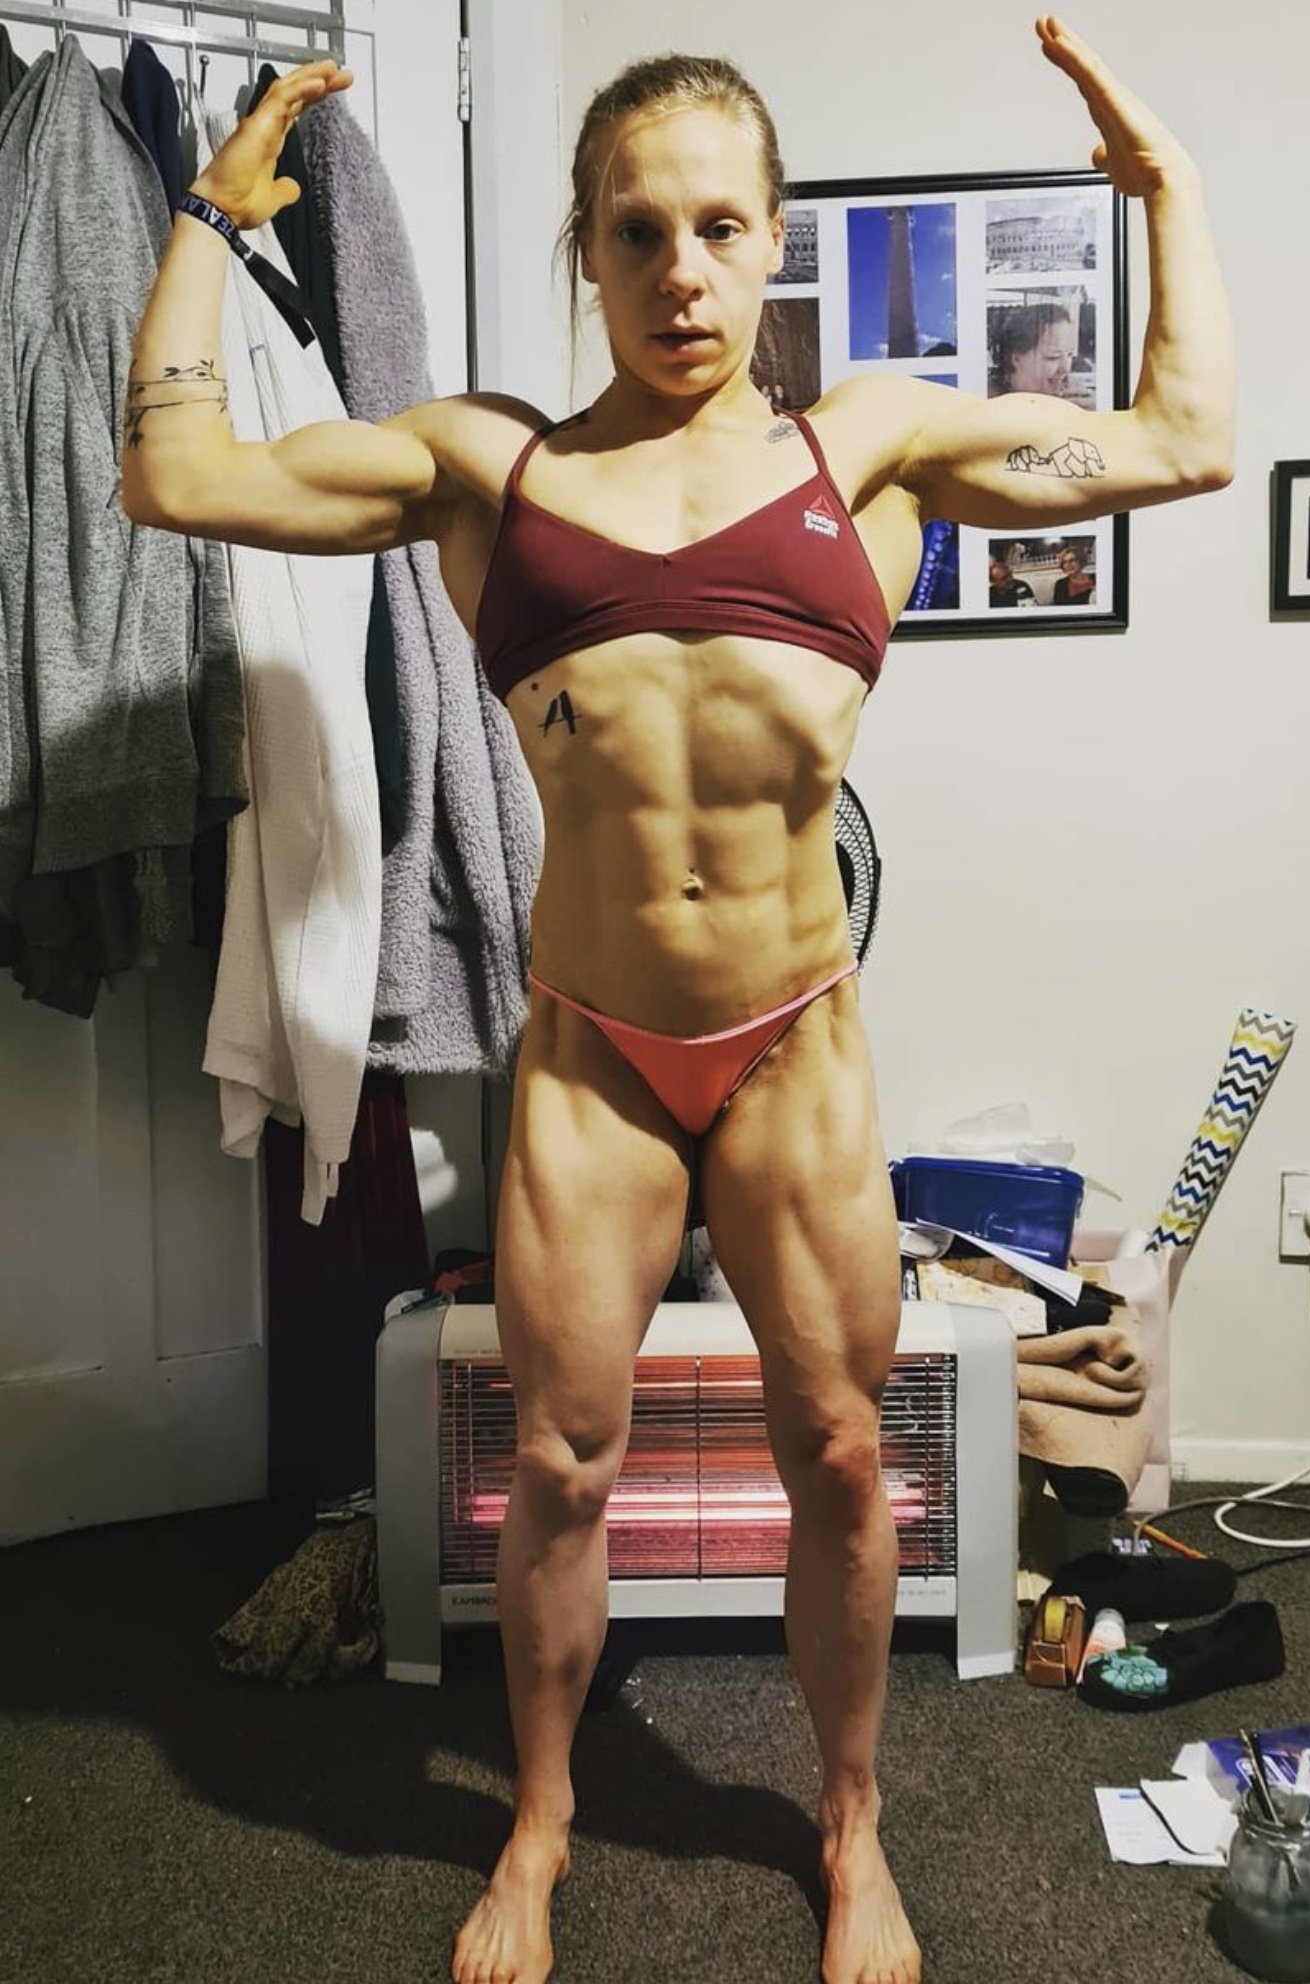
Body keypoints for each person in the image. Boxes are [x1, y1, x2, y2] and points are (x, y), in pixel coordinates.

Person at [121, 17, 1233, 1982]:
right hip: (594, 1059)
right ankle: (540, 1817)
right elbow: (172, 470)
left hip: (794, 1044)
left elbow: (1181, 440)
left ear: (773, 237)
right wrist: (212, 215)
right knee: (557, 1461)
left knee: (839, 1452)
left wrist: (1165, 187)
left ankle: (850, 1819)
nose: (682, 271)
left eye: (720, 228)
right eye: (638, 232)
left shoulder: (865, 450)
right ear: (589, 250)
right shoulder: (493, 468)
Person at [987, 298, 1079, 397]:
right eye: (1053, 357)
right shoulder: (986, 399)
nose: (1066, 368)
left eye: (1070, 354)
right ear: (1016, 359)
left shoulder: (1066, 398)